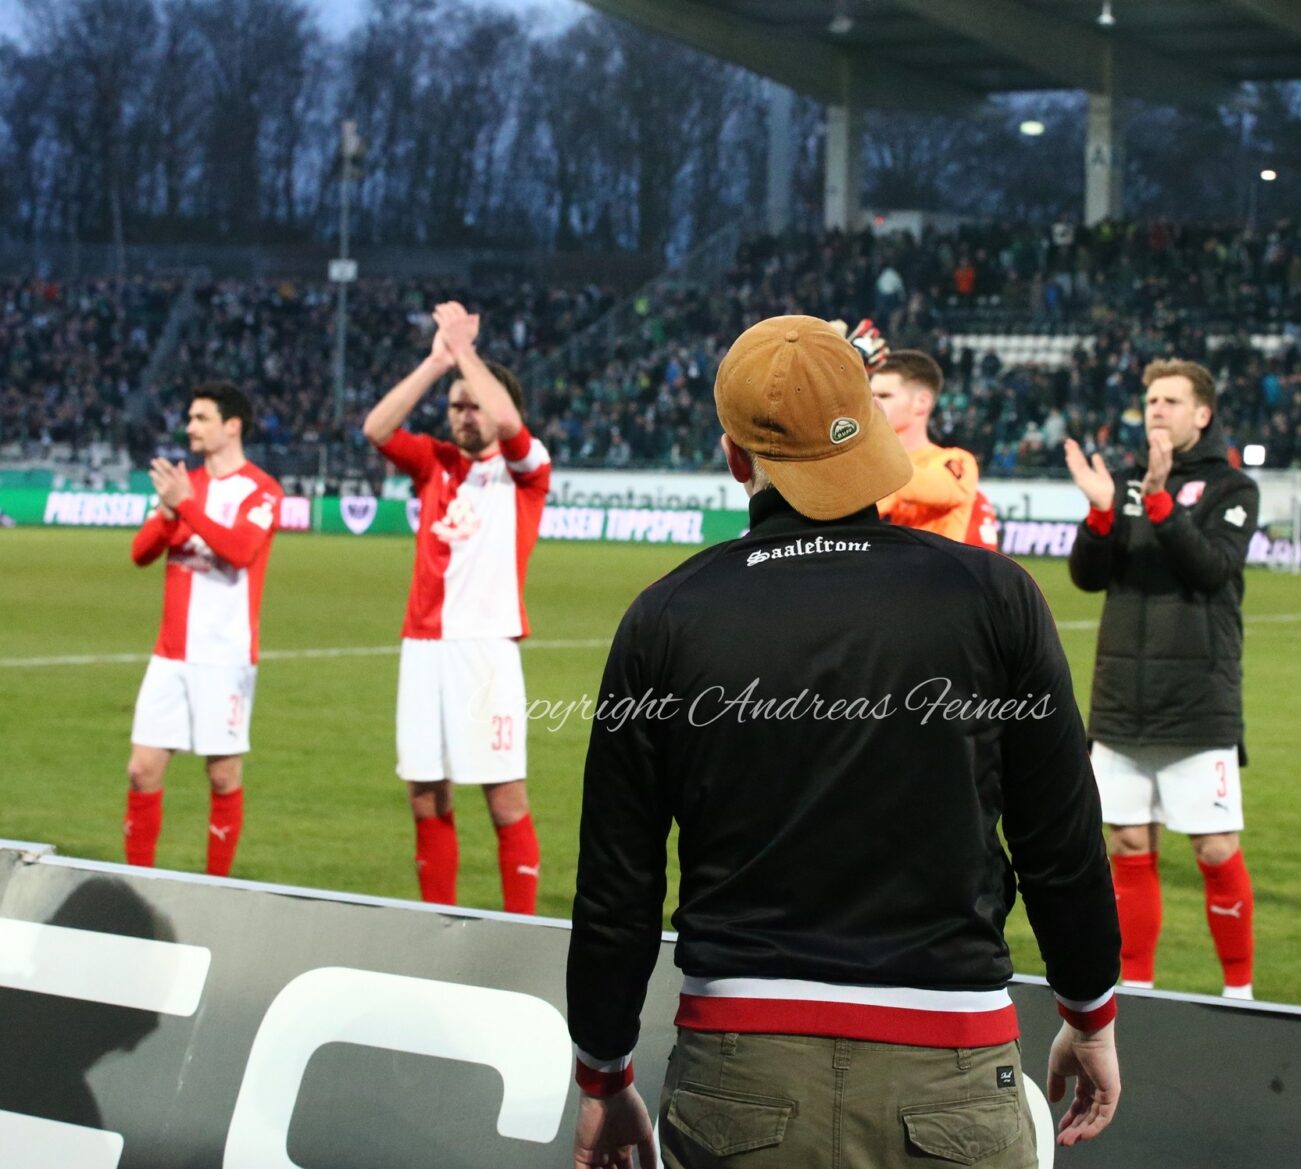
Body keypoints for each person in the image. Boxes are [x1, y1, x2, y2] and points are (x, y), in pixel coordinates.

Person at [567, 315, 1122, 1168]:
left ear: (735, 456)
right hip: (952, 1065)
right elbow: (1061, 841)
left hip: (737, 1072)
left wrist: (605, 1075)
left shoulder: (665, 616)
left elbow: (618, 884)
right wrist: (1089, 1015)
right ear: (870, 428)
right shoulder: (994, 596)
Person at [1064, 358, 1260, 1000]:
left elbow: (1211, 569)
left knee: (1214, 848)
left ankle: (1239, 995)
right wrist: (1101, 515)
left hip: (1197, 699)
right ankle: (1139, 993)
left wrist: (1158, 500)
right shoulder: (1122, 485)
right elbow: (1089, 577)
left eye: (1170, 401)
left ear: (1202, 414)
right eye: (1151, 399)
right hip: (1122, 699)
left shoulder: (1233, 489)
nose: (1156, 409)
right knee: (1126, 842)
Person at [363, 302, 552, 914]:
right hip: (422, 645)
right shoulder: (434, 463)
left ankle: (520, 930)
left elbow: (508, 421)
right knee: (425, 794)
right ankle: (435, 924)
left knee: (504, 798)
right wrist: (437, 361)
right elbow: (376, 428)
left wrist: (467, 353)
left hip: (485, 648)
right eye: (455, 407)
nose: (464, 416)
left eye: (474, 405)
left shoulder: (526, 472)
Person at [125, 382, 281, 876]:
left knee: (222, 775)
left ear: (231, 426)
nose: (189, 427)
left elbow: (240, 550)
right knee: (142, 769)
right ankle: (138, 884)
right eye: (189, 418)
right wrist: (168, 512)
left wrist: (186, 507)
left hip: (225, 655)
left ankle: (217, 890)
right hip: (170, 653)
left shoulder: (261, 490)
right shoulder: (185, 483)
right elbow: (140, 554)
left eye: (200, 418)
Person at [872, 349, 984, 544]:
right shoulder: (870, 464)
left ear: (921, 403)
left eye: (884, 395)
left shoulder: (957, 461)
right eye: (869, 395)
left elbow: (931, 488)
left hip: (932, 564)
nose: (872, 403)